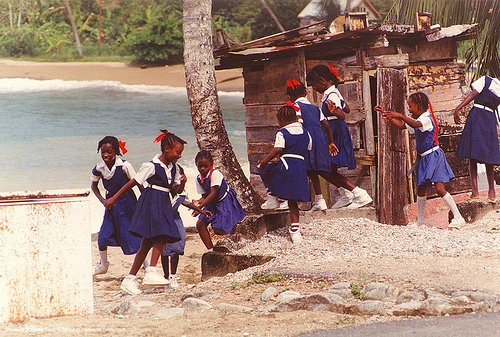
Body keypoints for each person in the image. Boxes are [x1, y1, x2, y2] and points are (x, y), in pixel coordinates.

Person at [106, 130, 210, 295]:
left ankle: (130, 279)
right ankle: (151, 271)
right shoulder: (151, 166)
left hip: (163, 202)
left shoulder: (173, 168)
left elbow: (176, 190)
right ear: (167, 149)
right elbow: (133, 182)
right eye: (178, 152)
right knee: (163, 233)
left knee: (148, 241)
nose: (179, 156)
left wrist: (183, 184)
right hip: (151, 201)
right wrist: (114, 198)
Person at [375, 92, 465, 227]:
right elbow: (401, 126)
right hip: (424, 158)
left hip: (434, 156)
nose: (409, 110)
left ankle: (458, 217)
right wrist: (386, 115)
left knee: (439, 188)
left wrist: (400, 115)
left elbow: (416, 124)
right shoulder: (418, 119)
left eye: (410, 107)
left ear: (418, 106)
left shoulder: (426, 118)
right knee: (421, 188)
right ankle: (420, 222)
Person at [306, 65, 373, 209]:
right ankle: (345, 194)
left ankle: (359, 193)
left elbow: (343, 115)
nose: (315, 89)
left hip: (334, 132)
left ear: (322, 80)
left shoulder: (332, 95)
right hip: (335, 130)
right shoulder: (333, 92)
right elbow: (347, 109)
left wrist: (335, 111)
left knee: (323, 168)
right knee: (330, 168)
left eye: (314, 85)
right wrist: (339, 107)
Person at [259, 105, 312, 243]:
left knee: (266, 170)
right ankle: (295, 231)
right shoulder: (305, 132)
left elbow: (278, 148)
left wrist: (265, 161)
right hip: (300, 166)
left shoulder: (282, 132)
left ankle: (272, 197)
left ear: (282, 120)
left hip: (287, 163)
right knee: (292, 201)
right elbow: (309, 147)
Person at [91, 136, 142, 276]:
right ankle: (103, 264)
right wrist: (103, 200)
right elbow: (94, 186)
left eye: (109, 152)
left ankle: (147, 265)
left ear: (116, 152)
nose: (106, 155)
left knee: (132, 235)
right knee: (103, 235)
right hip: (110, 205)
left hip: (127, 203)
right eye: (103, 152)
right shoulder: (98, 168)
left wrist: (145, 202)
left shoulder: (124, 166)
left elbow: (137, 182)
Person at [161, 165, 211, 289]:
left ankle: (173, 276)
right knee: (164, 250)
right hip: (162, 220)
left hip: (175, 219)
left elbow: (187, 203)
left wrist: (201, 211)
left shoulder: (181, 193)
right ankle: (166, 276)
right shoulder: (163, 191)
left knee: (177, 248)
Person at [454, 75, 500, 202]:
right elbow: (473, 94)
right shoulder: (486, 80)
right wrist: (459, 107)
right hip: (477, 116)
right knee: (472, 154)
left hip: (488, 119)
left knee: (488, 156)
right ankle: (476, 192)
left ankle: (491, 192)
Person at [194, 150, 245, 250]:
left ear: (211, 165)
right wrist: (197, 202)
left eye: (206, 166)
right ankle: (210, 249)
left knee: (221, 229)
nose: (203, 169)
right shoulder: (199, 178)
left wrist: (199, 207)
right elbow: (205, 196)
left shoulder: (215, 174)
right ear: (196, 165)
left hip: (224, 201)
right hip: (211, 202)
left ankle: (233, 241)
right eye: (200, 166)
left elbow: (213, 193)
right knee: (200, 224)